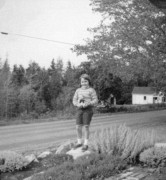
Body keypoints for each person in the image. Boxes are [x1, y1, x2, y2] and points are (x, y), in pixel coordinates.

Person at [73, 74, 98, 151]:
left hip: (88, 110)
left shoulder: (91, 90)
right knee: (78, 127)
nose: (84, 83)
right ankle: (79, 142)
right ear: (80, 82)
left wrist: (88, 103)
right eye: (82, 82)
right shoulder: (78, 90)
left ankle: (86, 144)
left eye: (85, 81)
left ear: (88, 81)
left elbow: (95, 100)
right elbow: (74, 100)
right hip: (79, 109)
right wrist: (78, 104)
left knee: (86, 126)